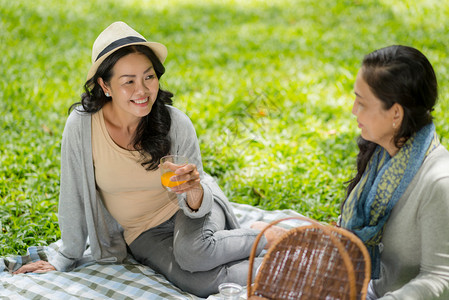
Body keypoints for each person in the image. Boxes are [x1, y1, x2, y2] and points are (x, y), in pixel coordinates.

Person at [13, 21, 286, 297]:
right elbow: (72, 195)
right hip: (142, 231)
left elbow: (198, 202)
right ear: (104, 85)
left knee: (194, 253)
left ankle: (273, 238)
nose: (142, 90)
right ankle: (291, 264)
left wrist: (193, 190)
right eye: (128, 81)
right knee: (198, 283)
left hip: (190, 211)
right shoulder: (82, 127)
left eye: (149, 77)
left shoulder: (175, 123)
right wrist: (64, 258)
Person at [339, 45, 449, 299]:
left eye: (362, 102)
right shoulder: (381, 158)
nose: (354, 110)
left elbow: (441, 279)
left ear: (396, 113)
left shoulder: (439, 182)